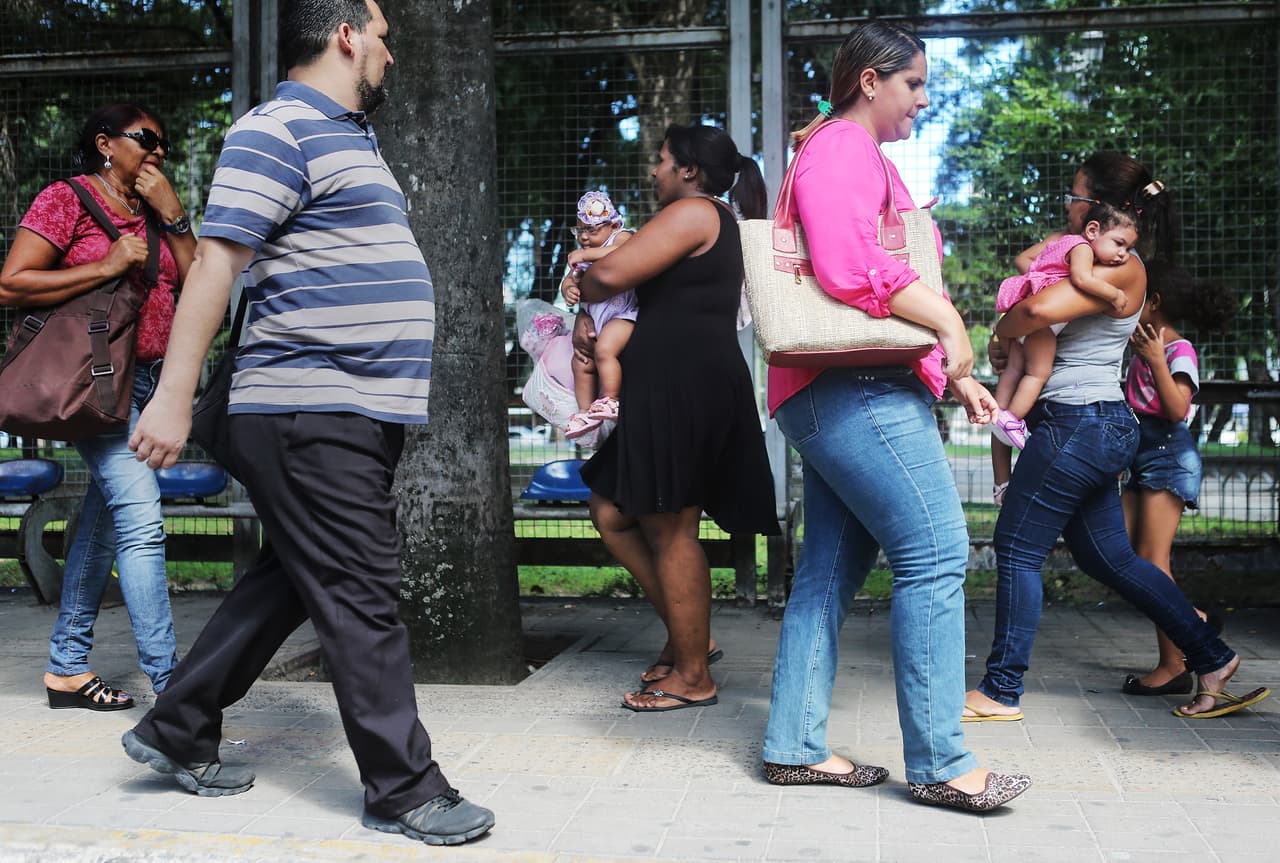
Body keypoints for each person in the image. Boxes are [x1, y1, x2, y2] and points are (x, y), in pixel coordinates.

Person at [119, 0, 494, 846]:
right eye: (385, 39)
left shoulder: (350, 138)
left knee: (294, 574)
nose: (391, 57)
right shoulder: (276, 128)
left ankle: (177, 726)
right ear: (346, 35)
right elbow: (217, 261)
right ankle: (404, 788)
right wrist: (173, 397)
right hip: (308, 404)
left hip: (344, 407)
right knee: (361, 590)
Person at [760, 22, 1031, 814]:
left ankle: (794, 744)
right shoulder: (844, 147)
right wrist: (947, 321)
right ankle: (942, 761)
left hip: (835, 386)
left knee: (827, 576)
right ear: (870, 80)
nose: (923, 99)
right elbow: (851, 268)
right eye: (913, 83)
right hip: (856, 389)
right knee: (939, 551)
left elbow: (868, 286)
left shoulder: (845, 152)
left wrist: (954, 377)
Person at [968, 153, 1270, 723]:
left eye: (1075, 195)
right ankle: (1211, 656)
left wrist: (1003, 325)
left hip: (1080, 423)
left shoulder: (1125, 269)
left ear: (1100, 207)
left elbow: (1032, 307)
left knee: (1016, 547)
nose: (1066, 204)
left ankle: (1000, 691)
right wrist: (1012, 334)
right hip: (1086, 424)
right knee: (1109, 557)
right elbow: (1033, 298)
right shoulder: (1076, 252)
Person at [574, 122, 777, 710]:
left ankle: (693, 676)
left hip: (682, 384)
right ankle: (694, 640)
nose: (654, 170)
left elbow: (608, 275)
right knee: (612, 510)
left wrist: (585, 275)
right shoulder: (705, 215)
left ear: (688, 170)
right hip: (675, 381)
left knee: (669, 523)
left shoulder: (695, 212)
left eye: (662, 160)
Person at [0, 103, 195, 710]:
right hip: (99, 383)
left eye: (164, 144)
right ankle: (175, 692)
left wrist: (175, 215)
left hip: (152, 387)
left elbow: (196, 282)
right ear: (107, 144)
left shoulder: (157, 216)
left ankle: (66, 667)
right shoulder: (66, 199)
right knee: (141, 521)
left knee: (106, 523)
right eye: (146, 139)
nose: (157, 151)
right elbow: (11, 283)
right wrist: (107, 265)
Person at [1120, 261, 1235, 695]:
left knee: (1152, 562)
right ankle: (1194, 620)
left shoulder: (1177, 348)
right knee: (1121, 557)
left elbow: (1177, 410)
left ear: (1155, 302)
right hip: (1139, 458)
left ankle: (1173, 664)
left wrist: (1155, 360)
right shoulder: (1139, 340)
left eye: (1138, 294)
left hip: (1169, 457)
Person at [990, 202, 1138, 505]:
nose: (1123, 255)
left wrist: (1003, 331)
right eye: (1119, 245)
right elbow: (1082, 280)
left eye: (1127, 248)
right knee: (1036, 372)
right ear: (1094, 230)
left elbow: (1025, 261)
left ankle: (1000, 426)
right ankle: (1012, 419)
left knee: (1012, 372)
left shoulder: (1059, 243)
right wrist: (1113, 293)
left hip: (1021, 306)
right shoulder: (1082, 249)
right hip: (1038, 325)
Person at [559, 190, 635, 441]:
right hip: (594, 320)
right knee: (581, 363)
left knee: (605, 350)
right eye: (580, 230)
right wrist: (569, 288)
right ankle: (584, 412)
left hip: (621, 315)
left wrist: (584, 255)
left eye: (592, 230)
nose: (583, 237)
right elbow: (569, 279)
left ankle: (611, 400)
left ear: (612, 224)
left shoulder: (620, 236)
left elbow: (620, 253)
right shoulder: (582, 256)